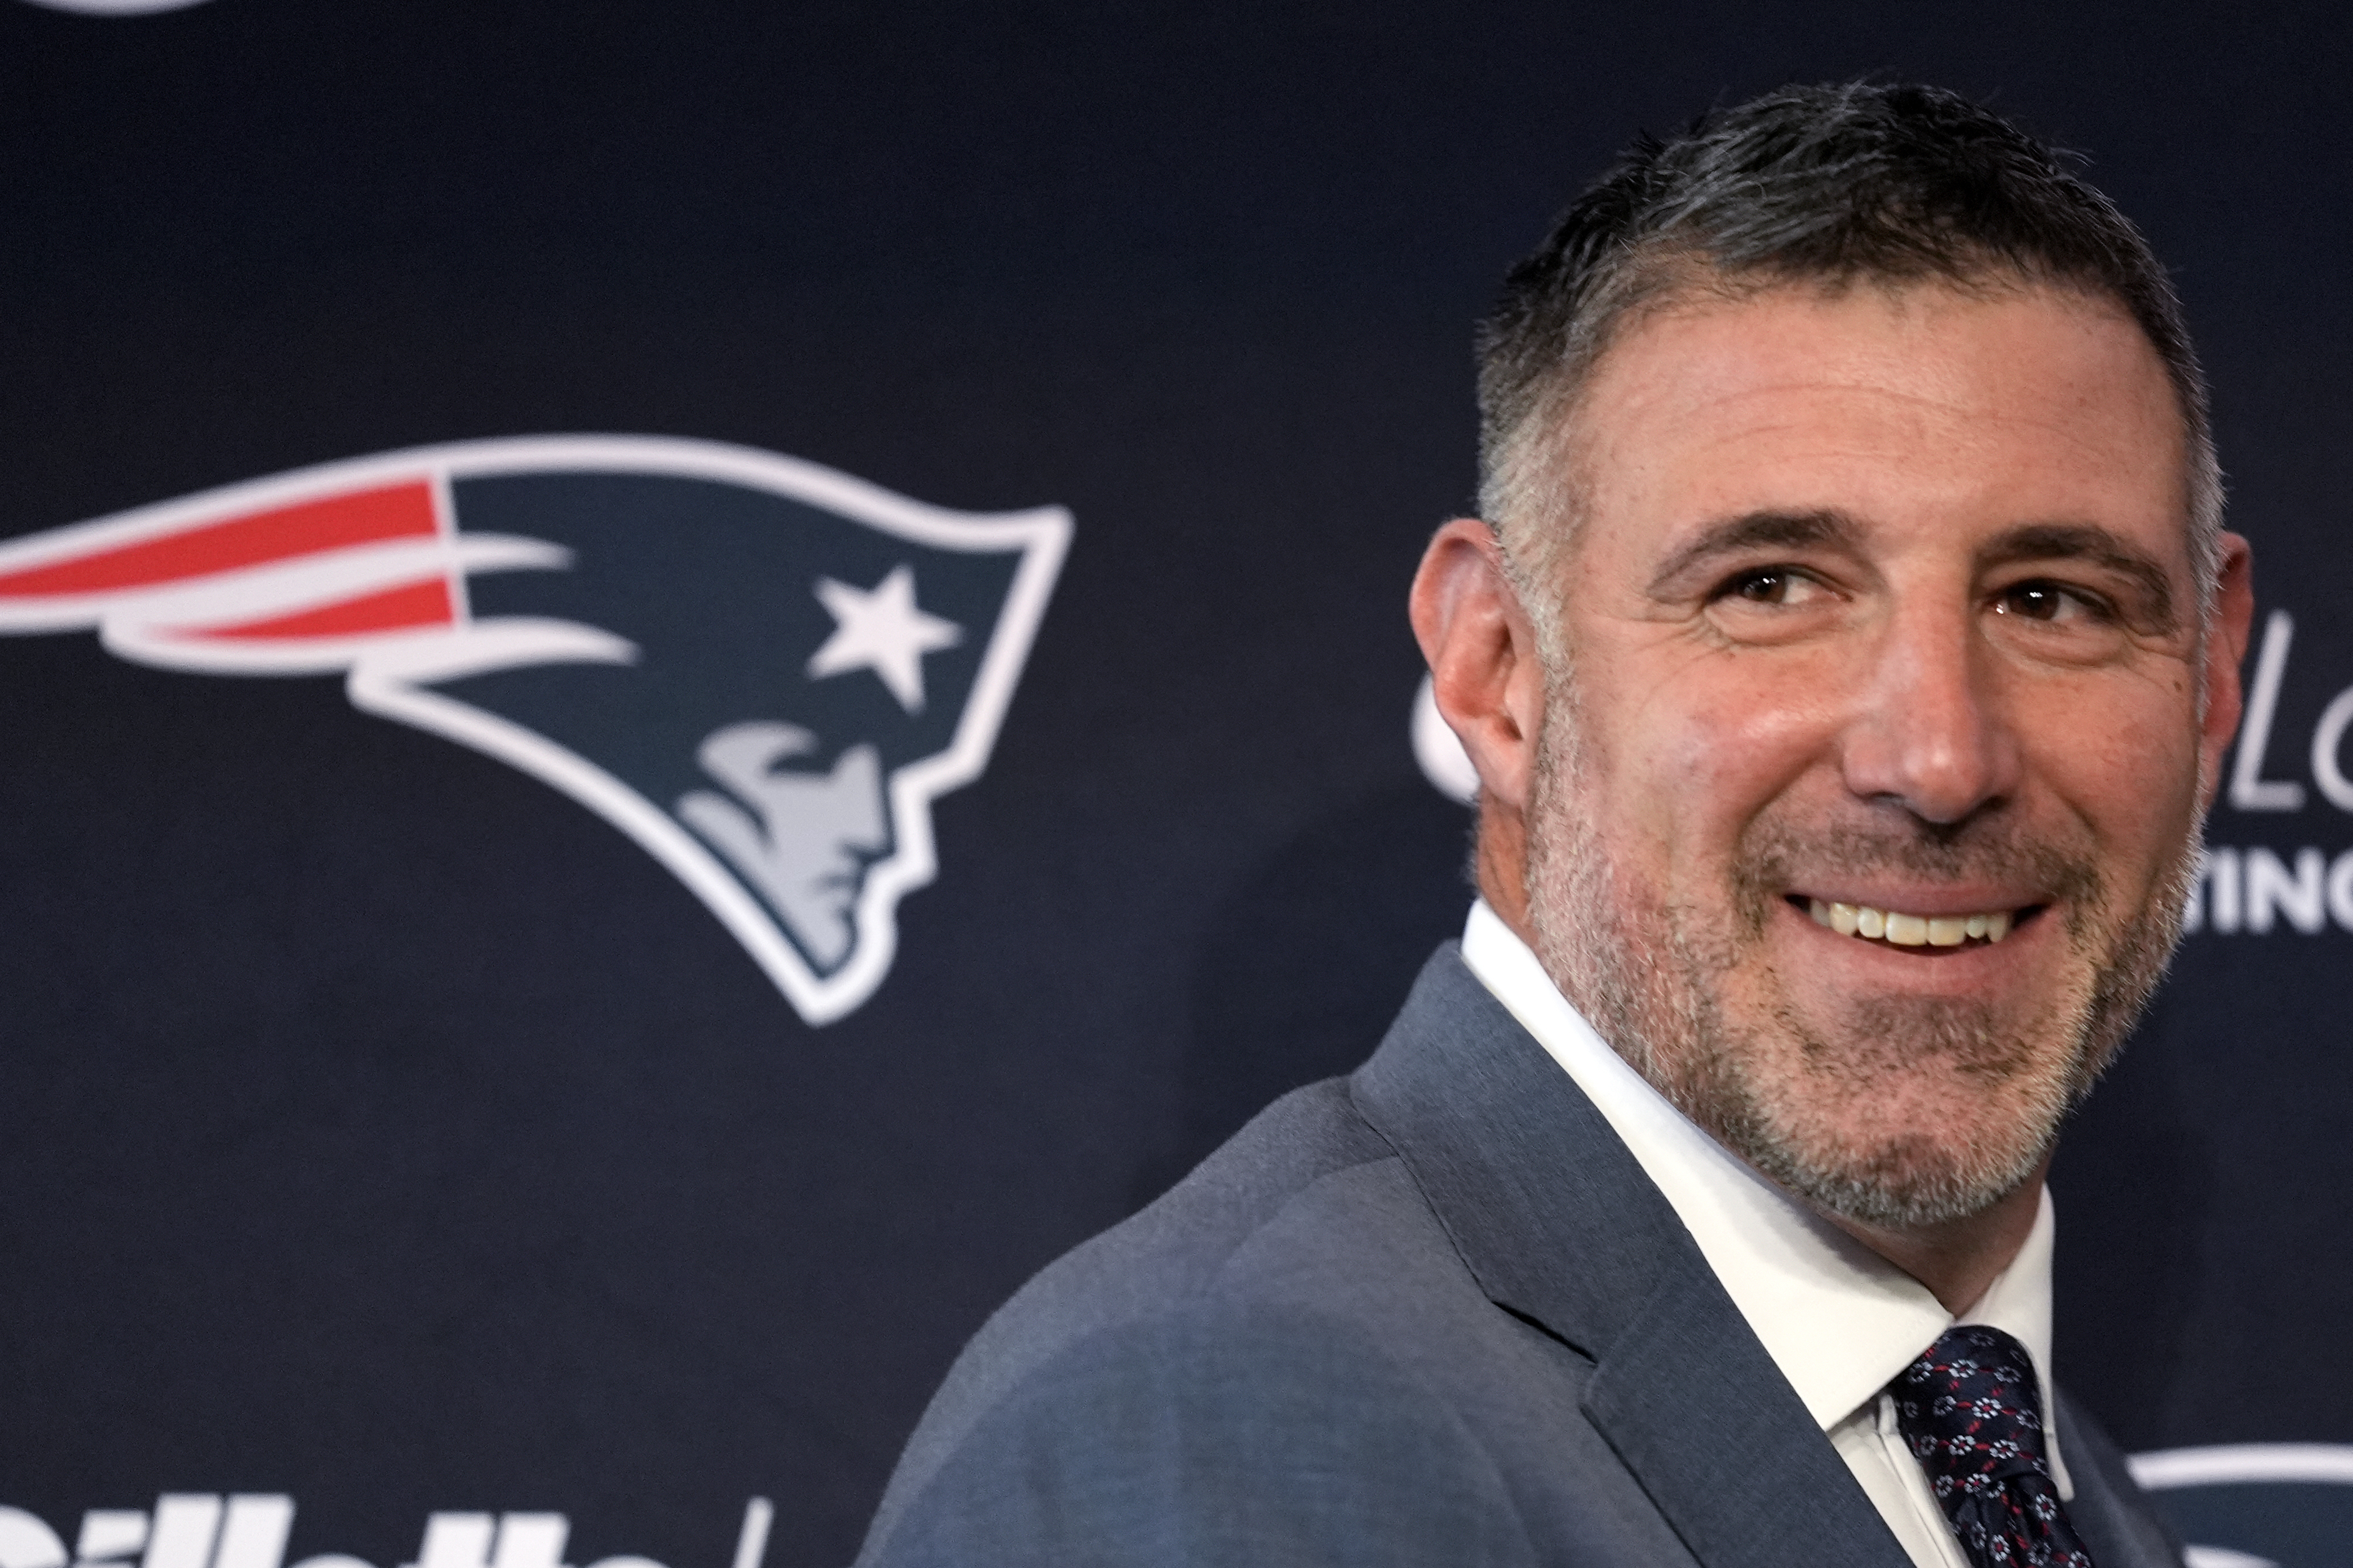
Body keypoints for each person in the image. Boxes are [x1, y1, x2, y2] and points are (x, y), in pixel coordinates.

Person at [856, 82, 2252, 1567]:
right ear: (1497, 669)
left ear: (2215, 674)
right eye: (1770, 588)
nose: (1938, 755)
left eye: (2054, 601)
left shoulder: (2030, 1481)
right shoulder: (1217, 1427)